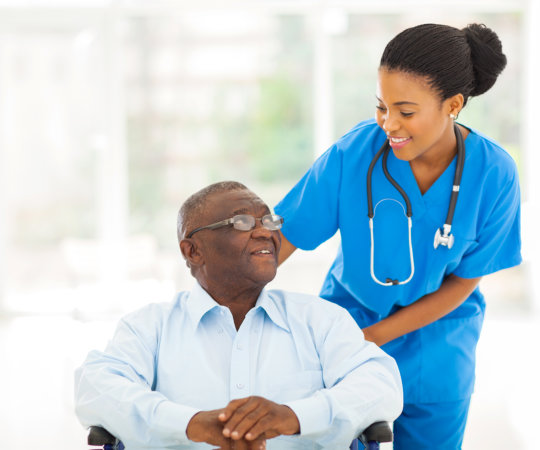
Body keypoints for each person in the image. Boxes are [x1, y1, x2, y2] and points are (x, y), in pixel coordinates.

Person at [275, 23, 521, 449]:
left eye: (405, 112)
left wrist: (374, 338)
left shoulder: (494, 174)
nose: (389, 124)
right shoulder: (353, 155)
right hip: (348, 332)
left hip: (438, 345)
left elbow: (464, 281)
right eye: (381, 107)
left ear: (454, 105)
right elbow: (282, 239)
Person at [74, 181, 403, 450]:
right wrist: (193, 425)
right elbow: (97, 388)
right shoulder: (149, 326)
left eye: (269, 221)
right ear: (193, 250)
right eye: (242, 222)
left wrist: (292, 417)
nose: (265, 232)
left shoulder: (320, 319)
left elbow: (380, 384)